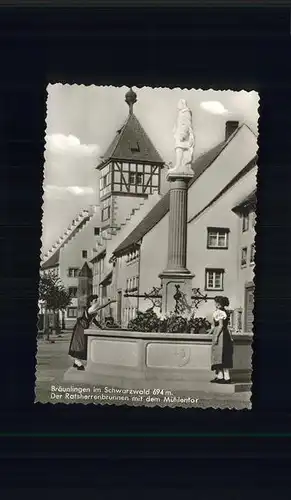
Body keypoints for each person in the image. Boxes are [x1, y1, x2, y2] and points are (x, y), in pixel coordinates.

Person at [68, 294, 103, 371]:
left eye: (96, 300)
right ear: (91, 302)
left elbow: (93, 319)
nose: (96, 302)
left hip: (81, 328)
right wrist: (109, 303)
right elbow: (100, 307)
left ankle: (76, 362)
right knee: (79, 345)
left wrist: (100, 326)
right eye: (95, 300)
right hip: (80, 328)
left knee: (80, 345)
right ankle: (79, 364)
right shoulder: (90, 309)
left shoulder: (91, 309)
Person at [210, 296, 233, 384]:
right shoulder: (224, 311)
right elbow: (226, 326)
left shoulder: (220, 312)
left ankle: (226, 378)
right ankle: (220, 376)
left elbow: (220, 325)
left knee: (221, 355)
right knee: (220, 355)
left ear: (219, 304)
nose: (215, 304)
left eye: (216, 302)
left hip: (221, 334)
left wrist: (216, 336)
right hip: (224, 334)